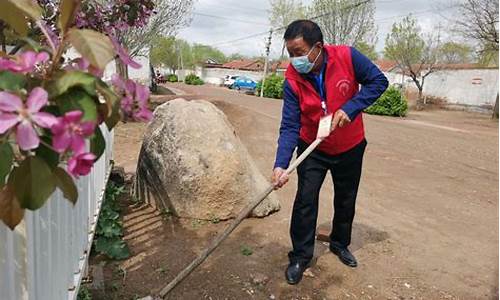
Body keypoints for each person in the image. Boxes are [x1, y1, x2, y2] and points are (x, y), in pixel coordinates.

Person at [271, 20, 388, 285]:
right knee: (305, 200)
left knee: (346, 198)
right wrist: (281, 164)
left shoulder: (347, 56)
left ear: (318, 48)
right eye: (290, 53)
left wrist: (352, 107)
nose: (295, 60)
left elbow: (379, 82)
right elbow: (290, 125)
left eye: (299, 53)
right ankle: (300, 256)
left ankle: (339, 243)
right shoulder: (292, 79)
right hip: (312, 147)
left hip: (350, 145)